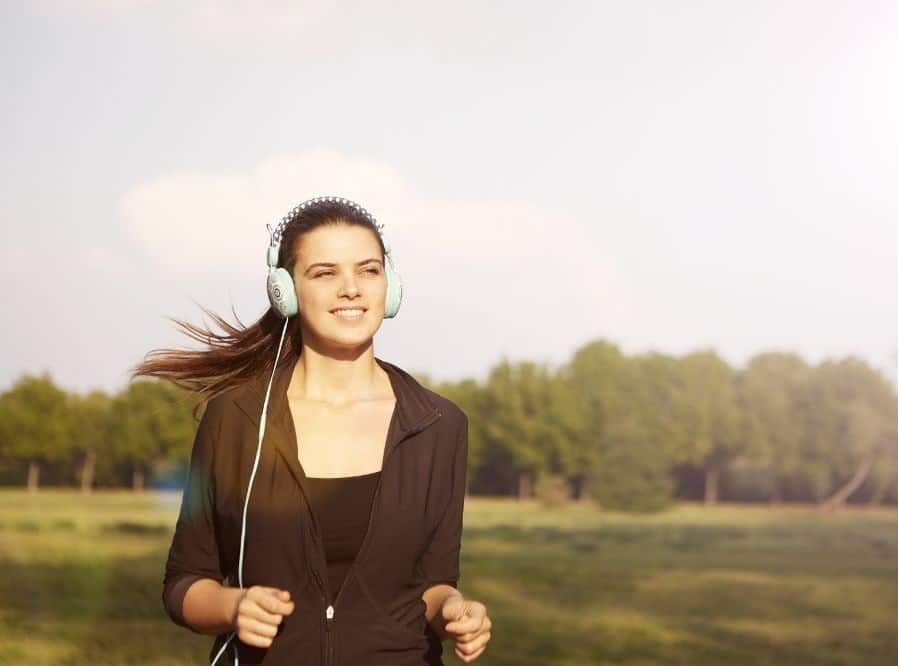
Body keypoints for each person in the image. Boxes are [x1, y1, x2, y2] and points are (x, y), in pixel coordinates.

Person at [131, 196, 492, 665]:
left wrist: (454, 611)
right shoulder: (238, 419)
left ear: (391, 285)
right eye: (325, 273)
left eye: (368, 270)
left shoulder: (440, 424)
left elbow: (433, 584)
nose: (351, 289)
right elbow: (184, 583)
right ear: (284, 291)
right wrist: (234, 605)